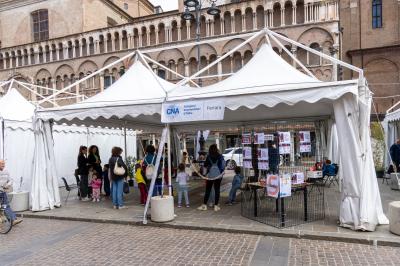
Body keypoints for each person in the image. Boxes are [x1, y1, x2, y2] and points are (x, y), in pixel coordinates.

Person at [198, 144, 225, 212]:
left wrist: (204, 175)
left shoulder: (208, 156)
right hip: (218, 176)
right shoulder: (220, 156)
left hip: (210, 176)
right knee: (217, 190)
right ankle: (216, 206)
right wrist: (221, 173)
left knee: (208, 190)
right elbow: (223, 165)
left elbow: (205, 166)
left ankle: (204, 205)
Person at [0, 160, 22, 226]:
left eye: (4, 164)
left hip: (3, 192)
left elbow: (10, 180)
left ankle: (13, 220)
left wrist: (8, 185)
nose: (3, 165)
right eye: (2, 164)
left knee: (6, 206)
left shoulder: (6, 172)